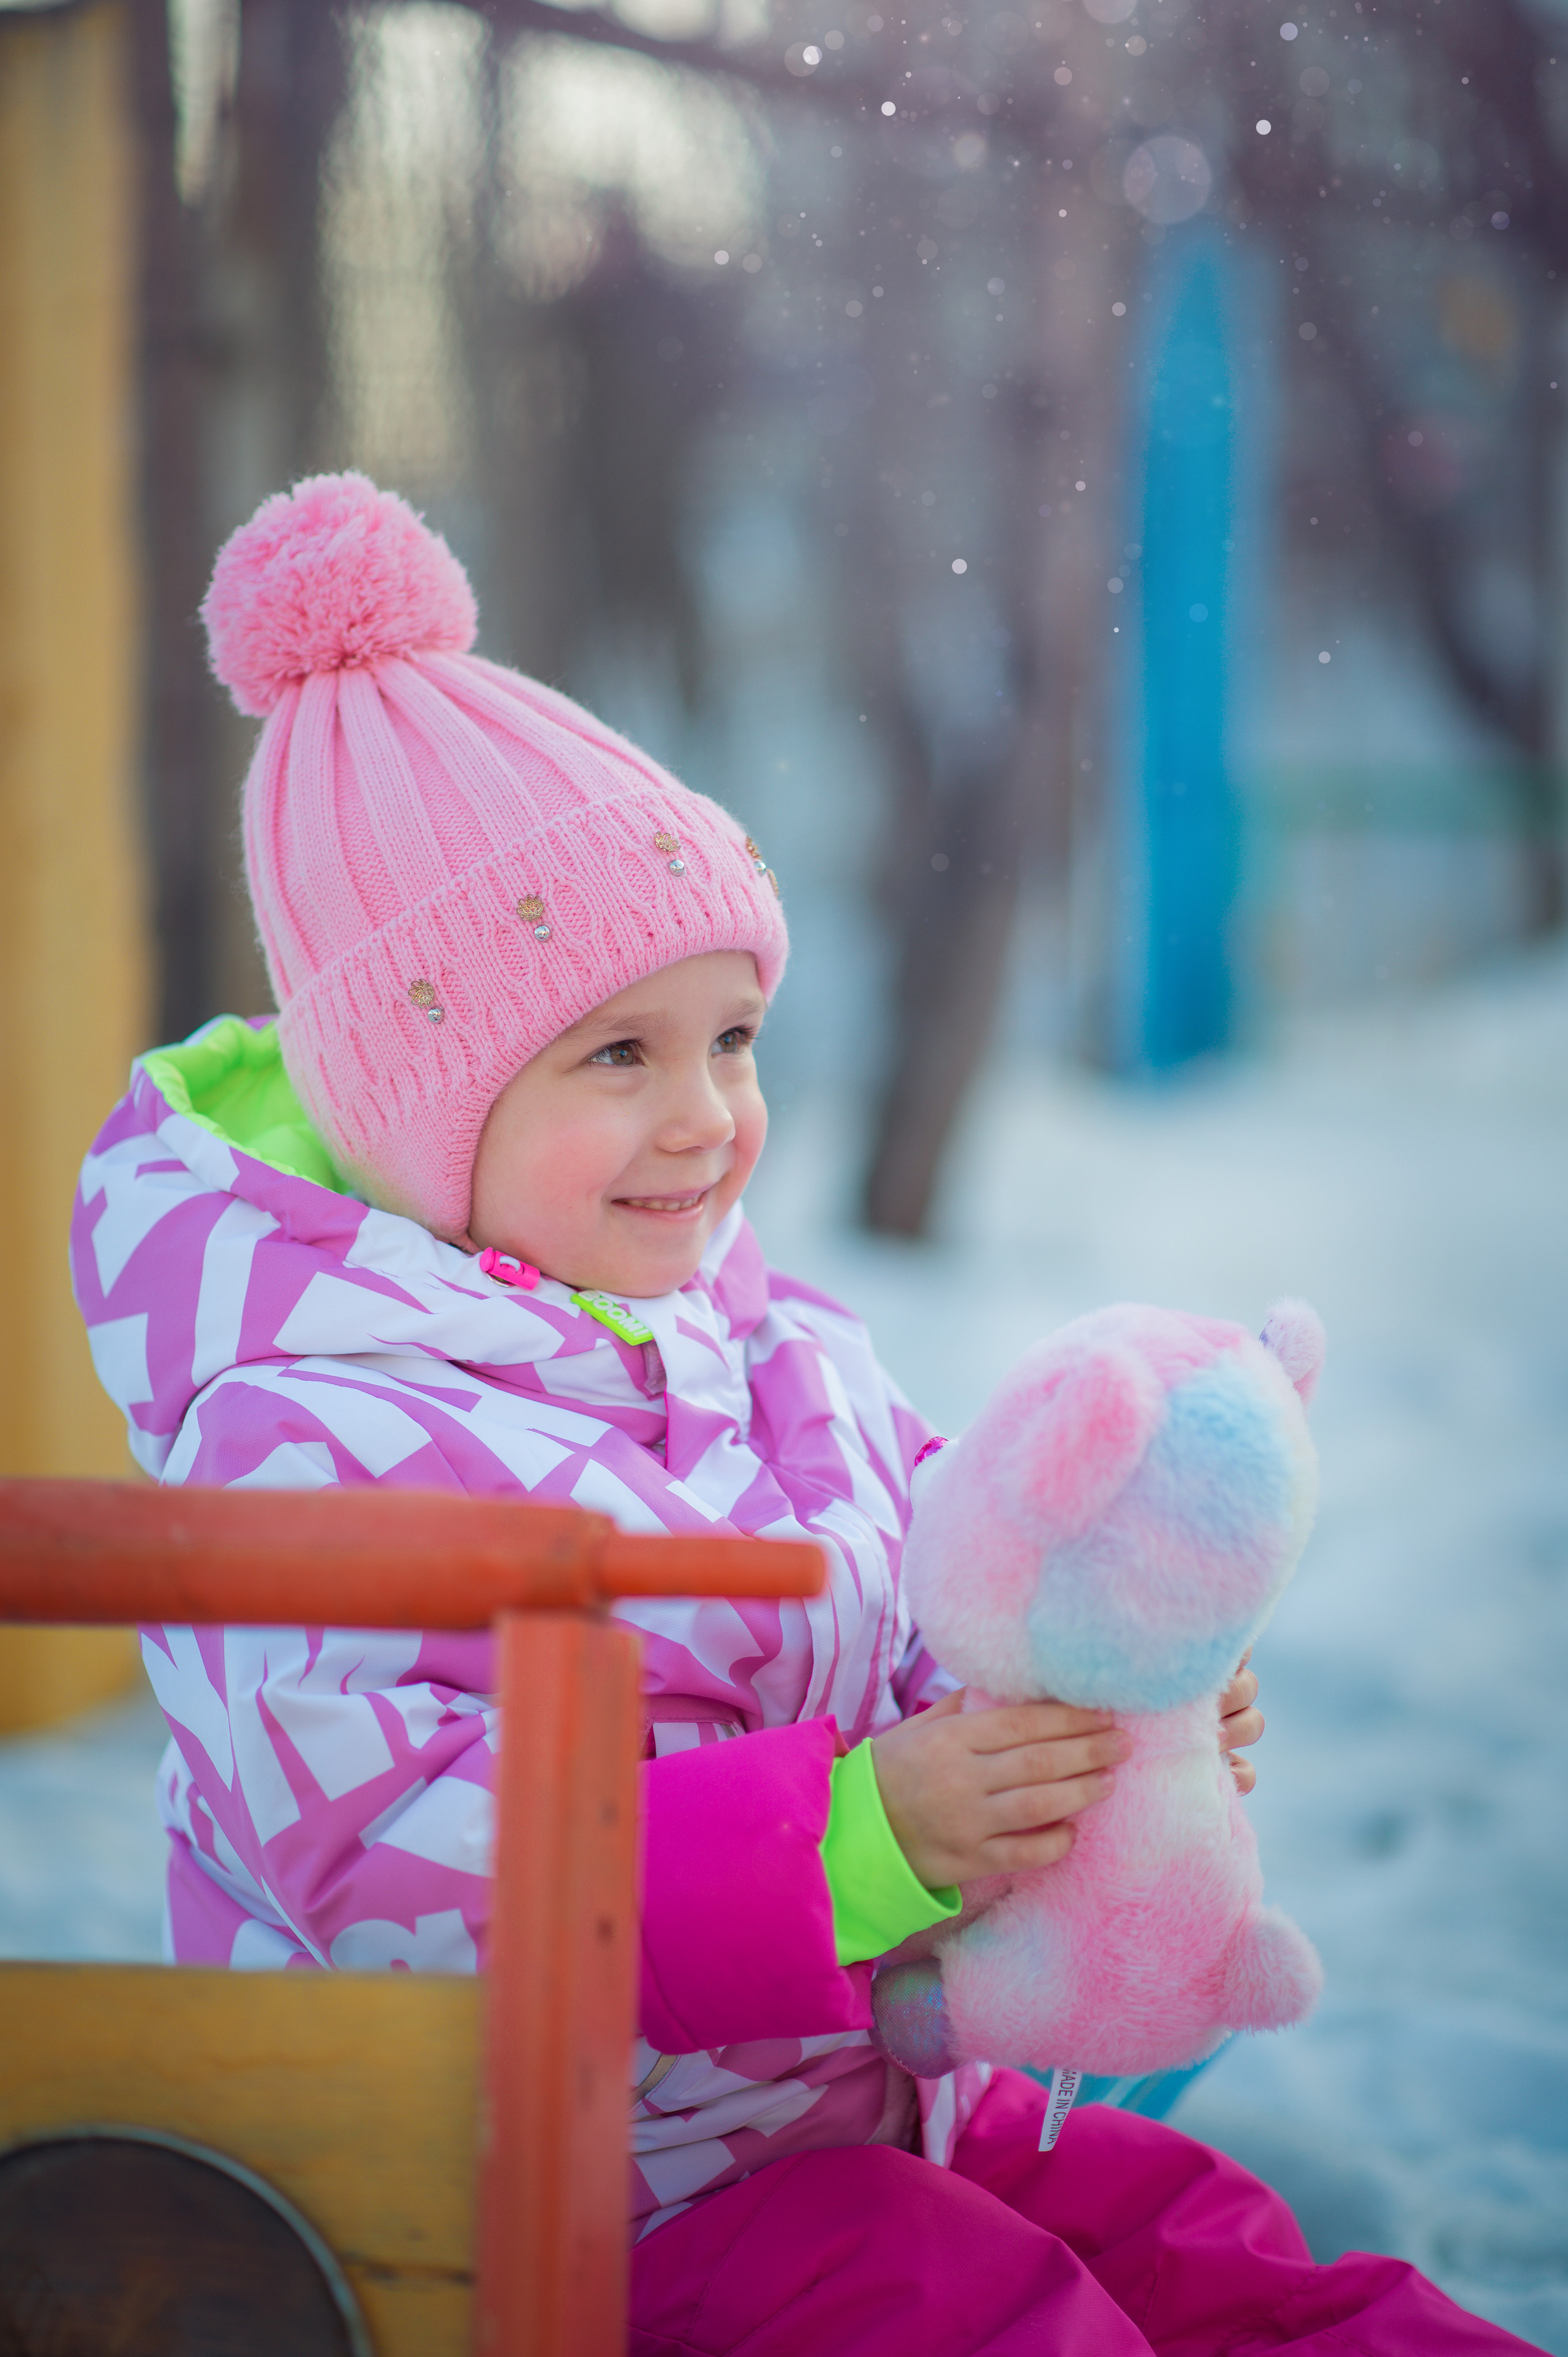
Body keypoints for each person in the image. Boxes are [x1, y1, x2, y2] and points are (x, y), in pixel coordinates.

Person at [72, 474, 1542, 2356]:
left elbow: (934, 1599)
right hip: (554, 2214)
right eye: (620, 1055)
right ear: (417, 1114)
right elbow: (403, 1882)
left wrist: (1081, 1698)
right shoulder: (304, 1443)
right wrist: (847, 1842)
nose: (706, 1117)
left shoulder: (770, 1348)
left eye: (734, 1039)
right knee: (977, 2307)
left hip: (856, 2118)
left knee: (1209, 2249)